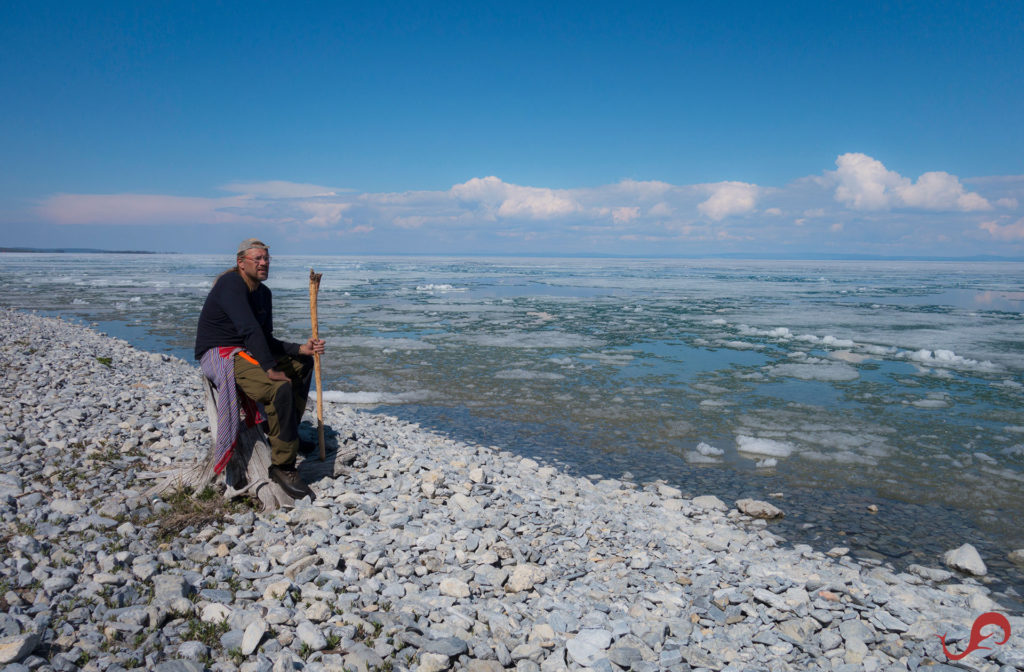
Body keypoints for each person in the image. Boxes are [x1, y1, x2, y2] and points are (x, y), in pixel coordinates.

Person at [194, 238, 325, 500]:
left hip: (249, 350)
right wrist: (269, 368)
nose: (264, 263)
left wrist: (301, 349)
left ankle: (285, 435)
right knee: (278, 386)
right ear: (241, 263)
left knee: (301, 365)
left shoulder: (264, 294)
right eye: (258, 259)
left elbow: (265, 338)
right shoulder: (231, 284)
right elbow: (248, 329)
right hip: (222, 352)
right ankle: (283, 466)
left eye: (267, 258)